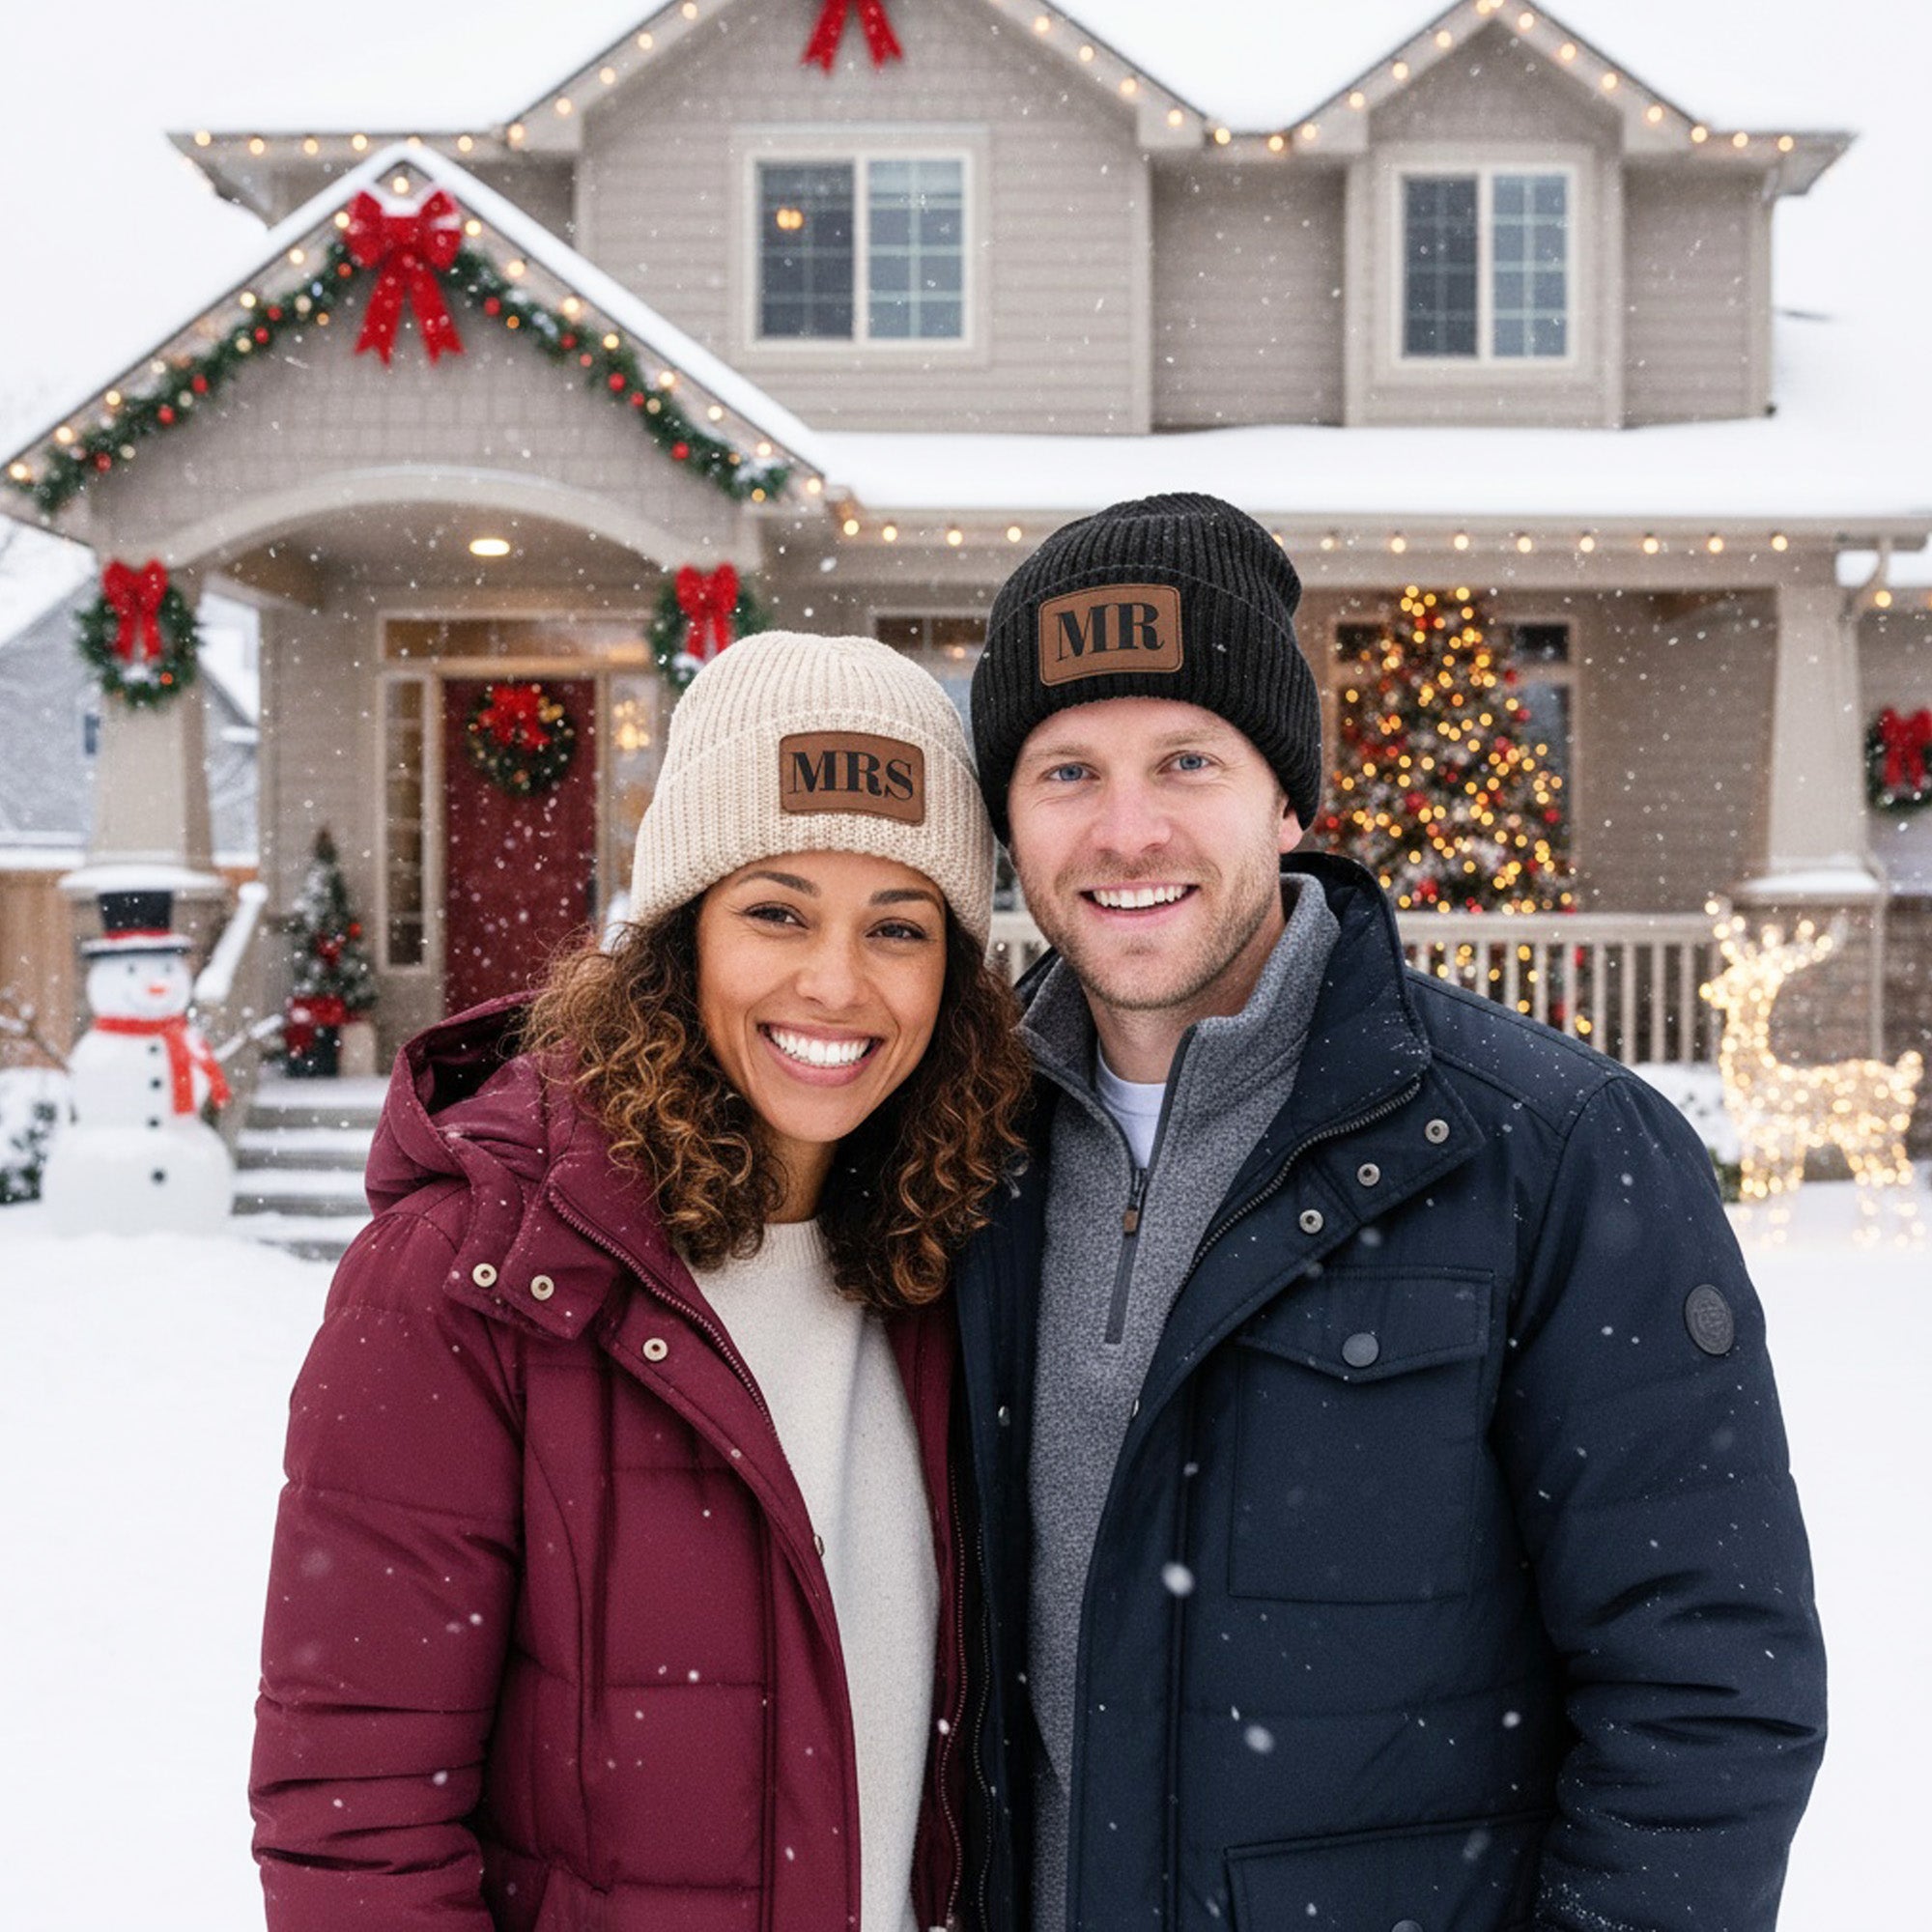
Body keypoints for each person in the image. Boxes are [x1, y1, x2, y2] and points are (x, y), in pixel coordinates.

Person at [952, 494, 1826, 1932]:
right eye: (1065, 771)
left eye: (1187, 759)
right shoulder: (961, 1149)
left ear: (1288, 799)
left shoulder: (1550, 1154)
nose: (1125, 829)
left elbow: (1707, 1689)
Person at [250, 631, 1032, 1932]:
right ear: (678, 938)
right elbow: (355, 1827)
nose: (836, 983)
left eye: (898, 927)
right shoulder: (466, 1282)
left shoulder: (961, 1261)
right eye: (776, 910)